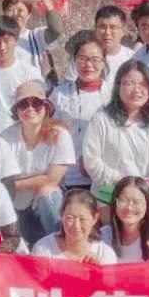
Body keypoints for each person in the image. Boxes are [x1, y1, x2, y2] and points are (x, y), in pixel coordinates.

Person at [80, 60, 149, 216]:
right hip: (112, 193)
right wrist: (126, 185)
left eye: (143, 84)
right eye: (130, 83)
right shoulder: (102, 119)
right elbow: (92, 161)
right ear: (118, 86)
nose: (137, 90)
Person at [1, 80, 76, 245]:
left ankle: (61, 245)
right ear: (16, 111)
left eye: (36, 103)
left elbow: (51, 179)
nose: (30, 108)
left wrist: (15, 184)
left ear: (46, 107)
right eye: (23, 104)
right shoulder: (5, 138)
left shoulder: (61, 135)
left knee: (47, 191)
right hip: (15, 207)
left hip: (46, 205)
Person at [49, 31, 109, 192]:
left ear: (104, 62)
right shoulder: (60, 94)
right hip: (70, 176)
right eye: (83, 58)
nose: (89, 65)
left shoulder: (114, 95)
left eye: (95, 59)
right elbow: (49, 133)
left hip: (106, 177)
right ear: (74, 60)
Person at [33, 189, 118, 263]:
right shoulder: (44, 248)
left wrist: (98, 269)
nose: (76, 226)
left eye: (82, 219)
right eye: (70, 218)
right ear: (61, 215)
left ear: (95, 219)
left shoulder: (104, 253)